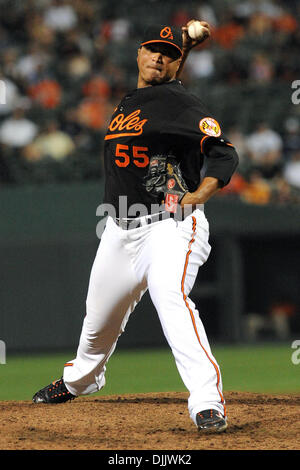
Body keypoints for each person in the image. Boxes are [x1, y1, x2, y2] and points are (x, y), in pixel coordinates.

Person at [32, 20, 239, 434]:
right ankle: (81, 380)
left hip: (171, 225)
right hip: (119, 230)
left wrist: (199, 195)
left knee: (172, 299)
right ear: (138, 55)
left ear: (176, 65)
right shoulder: (136, 100)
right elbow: (161, 88)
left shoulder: (182, 105)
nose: (158, 57)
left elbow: (222, 154)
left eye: (168, 54)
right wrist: (182, 44)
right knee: (97, 322)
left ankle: (206, 403)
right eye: (152, 50)